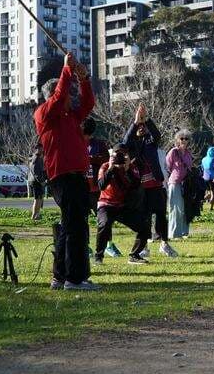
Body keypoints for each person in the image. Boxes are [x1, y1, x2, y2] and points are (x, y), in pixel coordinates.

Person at [34, 52, 98, 291]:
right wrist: (67, 70)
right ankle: (74, 278)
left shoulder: (71, 116)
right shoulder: (44, 114)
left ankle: (60, 277)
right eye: (67, 95)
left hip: (76, 176)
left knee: (71, 226)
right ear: (52, 96)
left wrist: (85, 80)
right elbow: (60, 94)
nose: (72, 98)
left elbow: (89, 103)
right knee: (75, 228)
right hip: (63, 176)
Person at [123, 104, 178, 258]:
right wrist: (135, 122)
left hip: (156, 185)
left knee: (161, 215)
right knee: (144, 218)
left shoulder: (150, 142)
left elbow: (157, 134)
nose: (141, 128)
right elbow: (125, 141)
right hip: (141, 188)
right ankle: (143, 247)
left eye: (143, 126)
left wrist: (145, 119)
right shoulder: (132, 145)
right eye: (139, 127)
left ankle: (164, 244)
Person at [95, 143, 150, 265]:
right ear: (112, 155)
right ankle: (98, 257)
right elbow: (101, 186)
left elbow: (136, 186)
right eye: (117, 154)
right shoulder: (105, 167)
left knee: (145, 227)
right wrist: (111, 168)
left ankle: (134, 255)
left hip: (122, 206)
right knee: (104, 225)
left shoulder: (131, 168)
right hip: (106, 205)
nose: (120, 157)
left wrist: (127, 170)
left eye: (123, 154)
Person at [81, 118, 112, 257]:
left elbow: (106, 160)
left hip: (97, 189)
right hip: (81, 188)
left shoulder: (99, 144)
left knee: (104, 219)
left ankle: (108, 246)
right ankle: (85, 246)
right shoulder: (76, 144)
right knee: (82, 220)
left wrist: (90, 159)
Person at [166, 129, 193, 240]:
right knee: (175, 209)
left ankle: (183, 232)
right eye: (182, 138)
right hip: (174, 182)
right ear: (177, 140)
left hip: (185, 184)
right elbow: (167, 166)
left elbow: (190, 167)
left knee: (184, 209)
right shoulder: (173, 152)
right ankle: (173, 233)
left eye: (186, 138)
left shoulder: (188, 153)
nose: (184, 140)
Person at [28, 143, 47, 221]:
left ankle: (37, 214)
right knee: (37, 199)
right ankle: (34, 215)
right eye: (39, 148)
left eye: (41, 148)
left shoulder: (38, 157)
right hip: (36, 181)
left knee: (39, 198)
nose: (41, 150)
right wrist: (41, 181)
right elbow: (35, 171)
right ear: (36, 149)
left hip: (35, 180)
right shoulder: (36, 158)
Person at [202, 146, 214, 211]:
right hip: (212, 178)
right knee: (213, 194)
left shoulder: (203, 159)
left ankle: (201, 201)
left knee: (208, 193)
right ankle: (211, 207)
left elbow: (202, 168)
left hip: (205, 178)